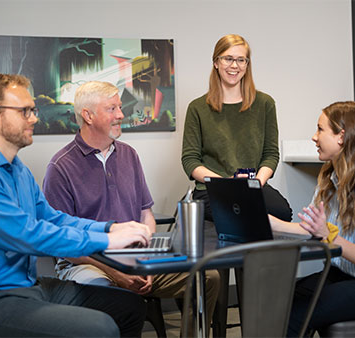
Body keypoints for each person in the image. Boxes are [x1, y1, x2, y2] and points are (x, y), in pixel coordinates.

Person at [0, 73, 153, 337]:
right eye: (25, 111)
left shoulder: (17, 170)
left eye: (33, 110)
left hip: (25, 288)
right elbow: (26, 234)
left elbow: (53, 219)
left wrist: (110, 229)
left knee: (128, 306)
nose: (34, 118)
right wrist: (106, 242)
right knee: (100, 327)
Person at [41, 81, 223, 323]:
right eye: (112, 109)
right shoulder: (60, 166)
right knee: (107, 294)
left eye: (119, 107)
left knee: (208, 278)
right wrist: (118, 274)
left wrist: (147, 261)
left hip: (137, 258)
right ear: (88, 115)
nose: (121, 115)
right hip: (89, 263)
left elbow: (145, 214)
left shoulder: (129, 155)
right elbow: (63, 244)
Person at [265, 102, 355, 337]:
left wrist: (329, 234)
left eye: (320, 129)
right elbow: (311, 228)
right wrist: (267, 222)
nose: (314, 137)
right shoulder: (331, 177)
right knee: (280, 299)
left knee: (299, 312)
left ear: (341, 136)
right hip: (342, 274)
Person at [182, 34, 292, 221]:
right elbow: (190, 161)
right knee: (239, 215)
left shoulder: (265, 104)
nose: (235, 66)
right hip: (213, 189)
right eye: (228, 59)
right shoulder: (197, 108)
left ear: (247, 65)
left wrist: (256, 182)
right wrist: (226, 184)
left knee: (282, 213)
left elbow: (271, 154)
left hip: (253, 186)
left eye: (241, 60)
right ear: (216, 62)